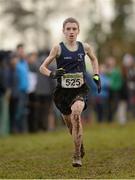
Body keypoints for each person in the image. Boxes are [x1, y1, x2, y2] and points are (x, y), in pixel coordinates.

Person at [39, 17, 101, 167]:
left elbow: (93, 59)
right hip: (62, 93)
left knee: (76, 114)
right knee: (70, 125)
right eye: (68, 29)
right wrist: (52, 74)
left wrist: (96, 75)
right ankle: (80, 145)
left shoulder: (85, 47)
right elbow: (42, 67)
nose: (71, 32)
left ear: (78, 31)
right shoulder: (58, 48)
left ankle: (76, 155)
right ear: (63, 31)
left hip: (80, 89)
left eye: (74, 29)